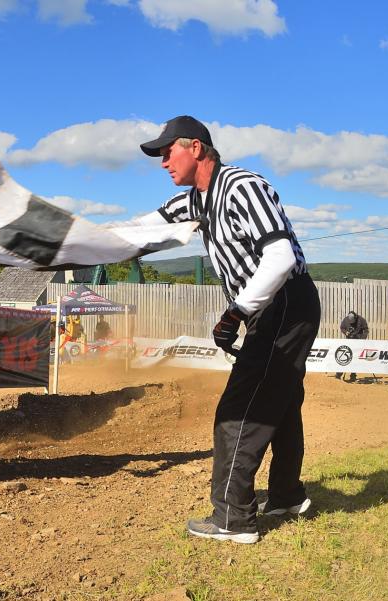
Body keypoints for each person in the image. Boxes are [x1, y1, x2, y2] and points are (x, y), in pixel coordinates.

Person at [135, 115, 320, 544]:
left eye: (168, 152)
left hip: (285, 302)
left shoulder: (243, 187)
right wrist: (65, 242)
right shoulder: (196, 201)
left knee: (241, 408)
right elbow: (143, 230)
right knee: (282, 400)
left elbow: (279, 258)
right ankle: (287, 496)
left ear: (195, 148)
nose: (163, 162)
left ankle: (232, 518)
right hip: (272, 306)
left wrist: (236, 312)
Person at [335, 310, 368, 382]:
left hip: (358, 342)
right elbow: (342, 327)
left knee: (355, 359)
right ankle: (338, 374)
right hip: (349, 341)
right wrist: (345, 332)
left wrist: (362, 339)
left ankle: (353, 376)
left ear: (355, 318)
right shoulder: (346, 320)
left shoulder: (361, 320)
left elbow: (366, 330)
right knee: (344, 358)